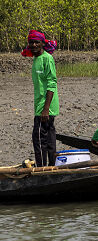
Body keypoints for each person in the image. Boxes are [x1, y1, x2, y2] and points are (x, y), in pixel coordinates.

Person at [22, 30, 59, 167]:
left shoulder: (47, 58)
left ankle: (42, 170)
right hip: (41, 105)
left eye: (37, 42)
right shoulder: (36, 59)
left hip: (45, 107)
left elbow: (52, 83)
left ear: (43, 43)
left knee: (38, 139)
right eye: (31, 42)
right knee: (49, 139)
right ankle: (51, 168)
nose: (34, 45)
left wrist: (46, 109)